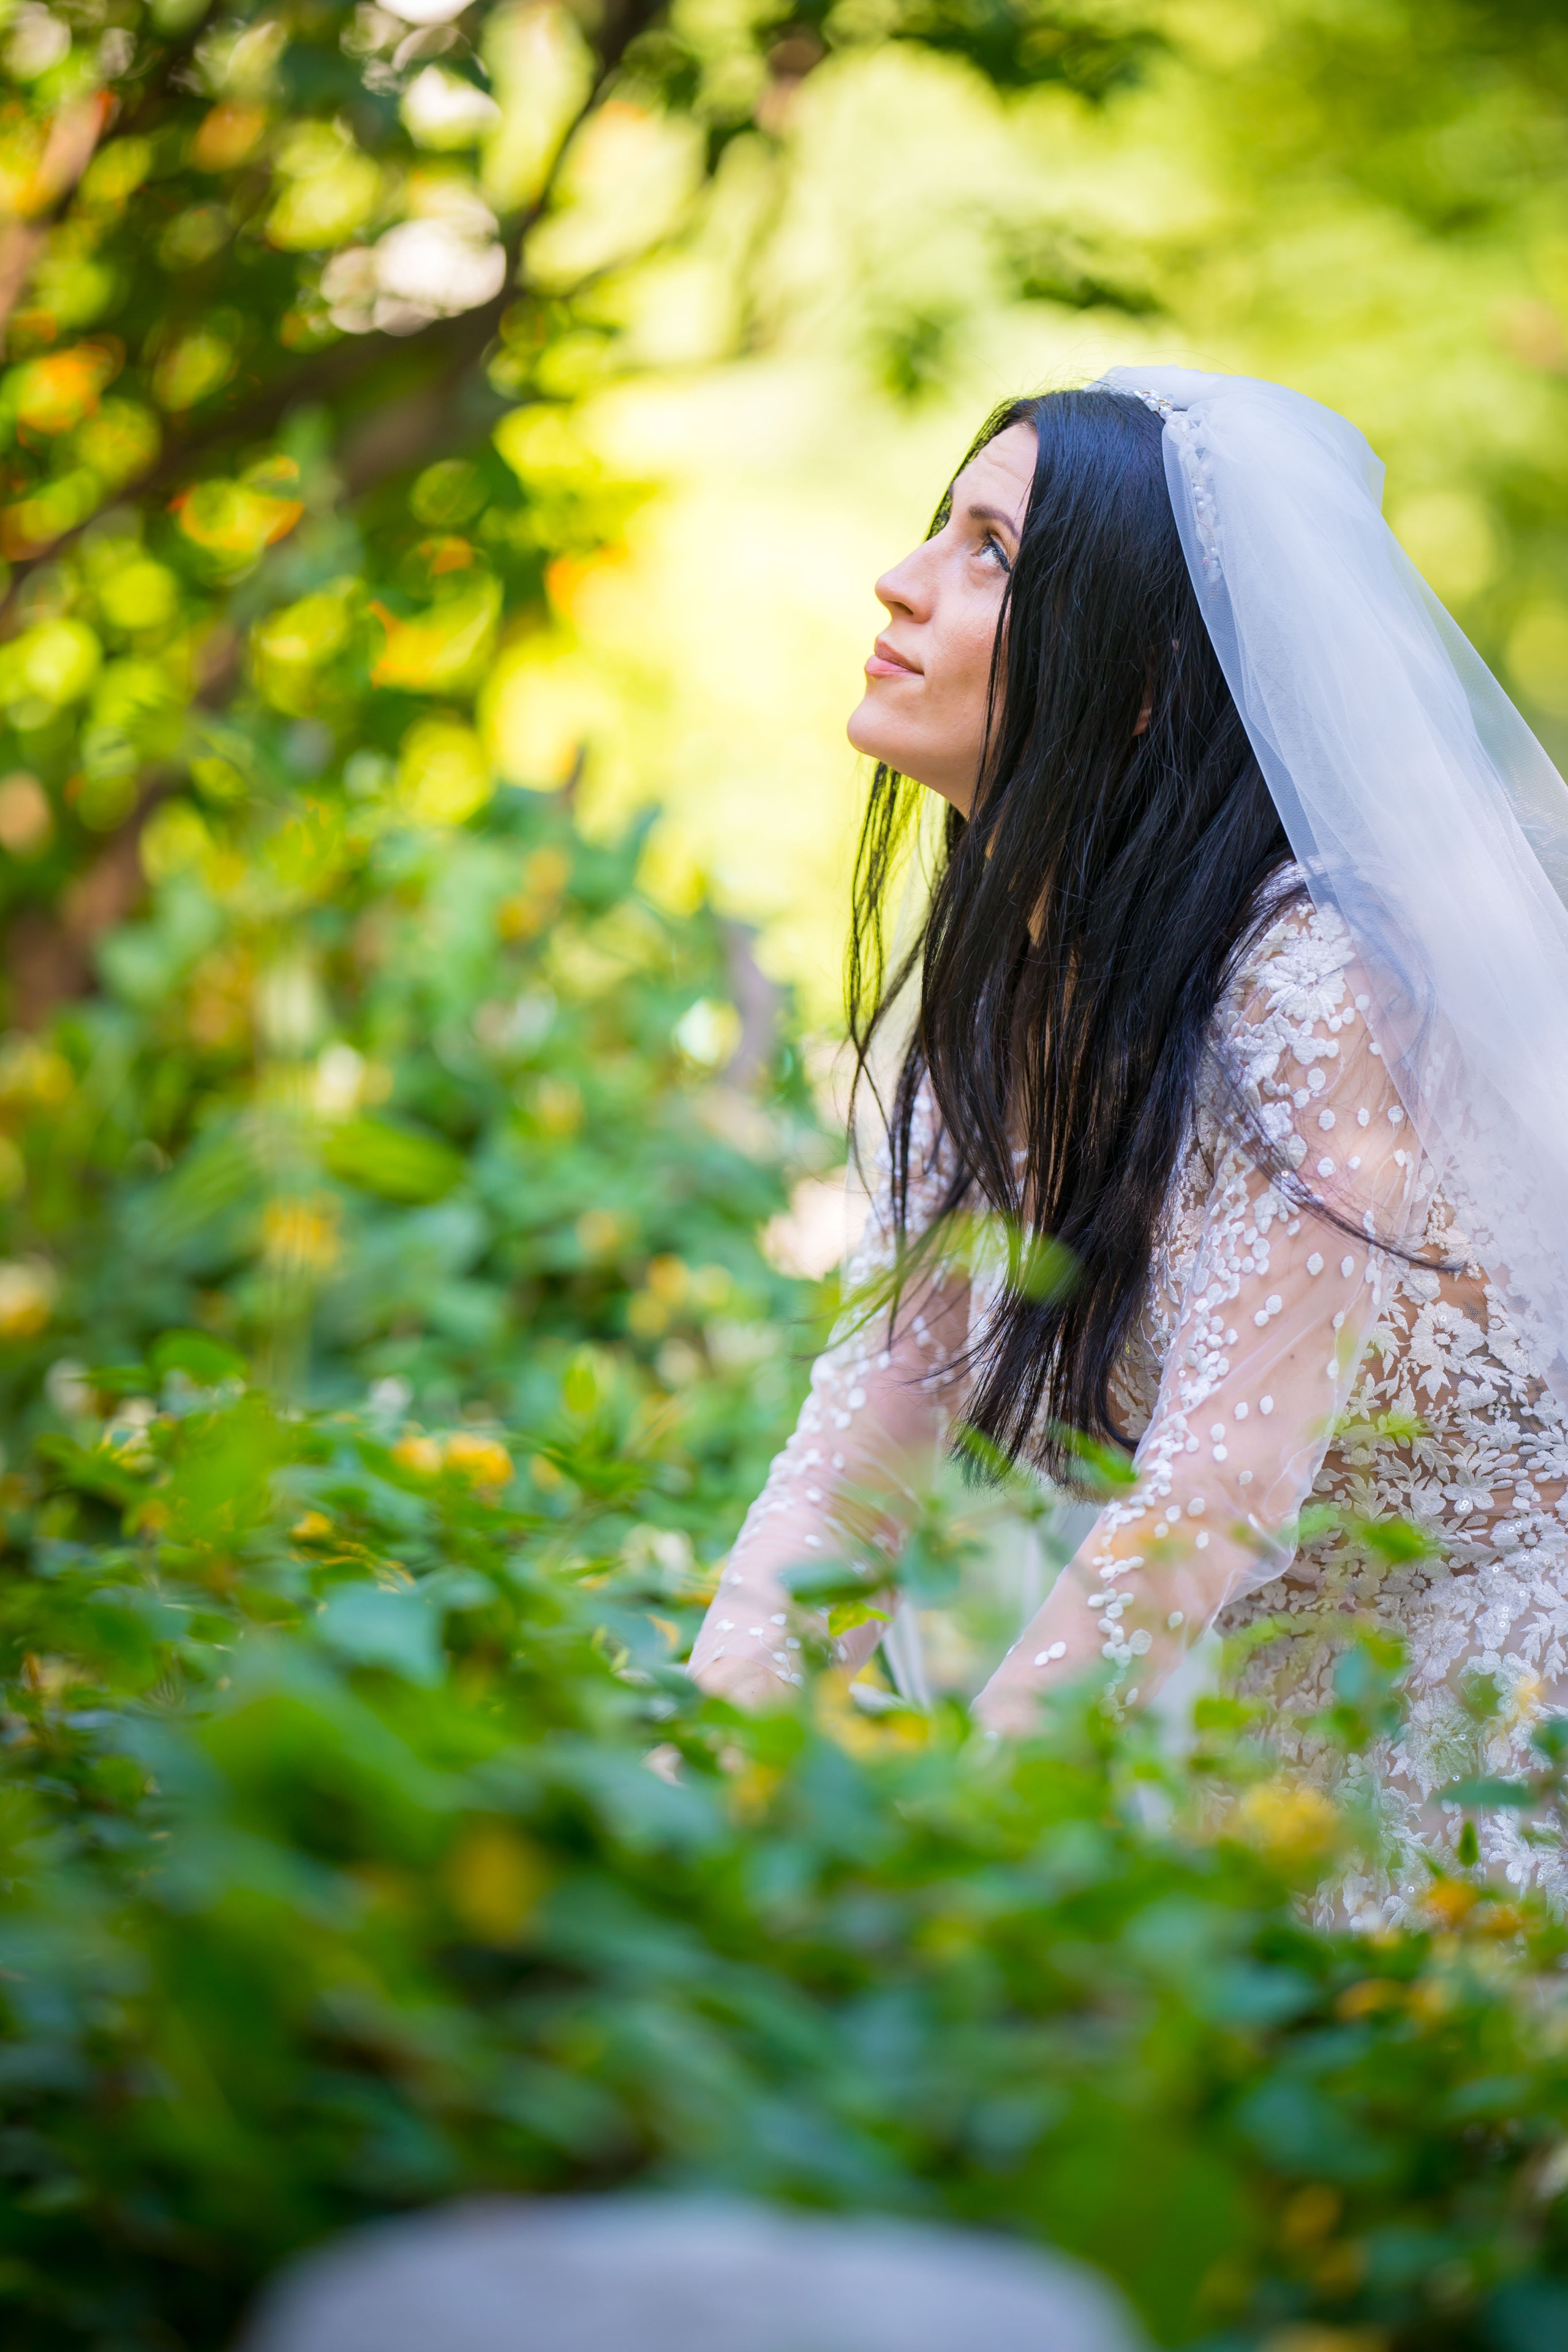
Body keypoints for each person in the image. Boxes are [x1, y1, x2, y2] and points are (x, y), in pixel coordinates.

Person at [690, 369, 1568, 1913]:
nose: (898, 580)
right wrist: (687, 1792)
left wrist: (953, 1864)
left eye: (987, 553)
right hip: (1272, 1749)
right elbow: (859, 1447)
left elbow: (1210, 1494)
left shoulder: (1313, 986)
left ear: (1143, 681)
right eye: (938, 529)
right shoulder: (1001, 1013)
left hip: (1498, 1735)